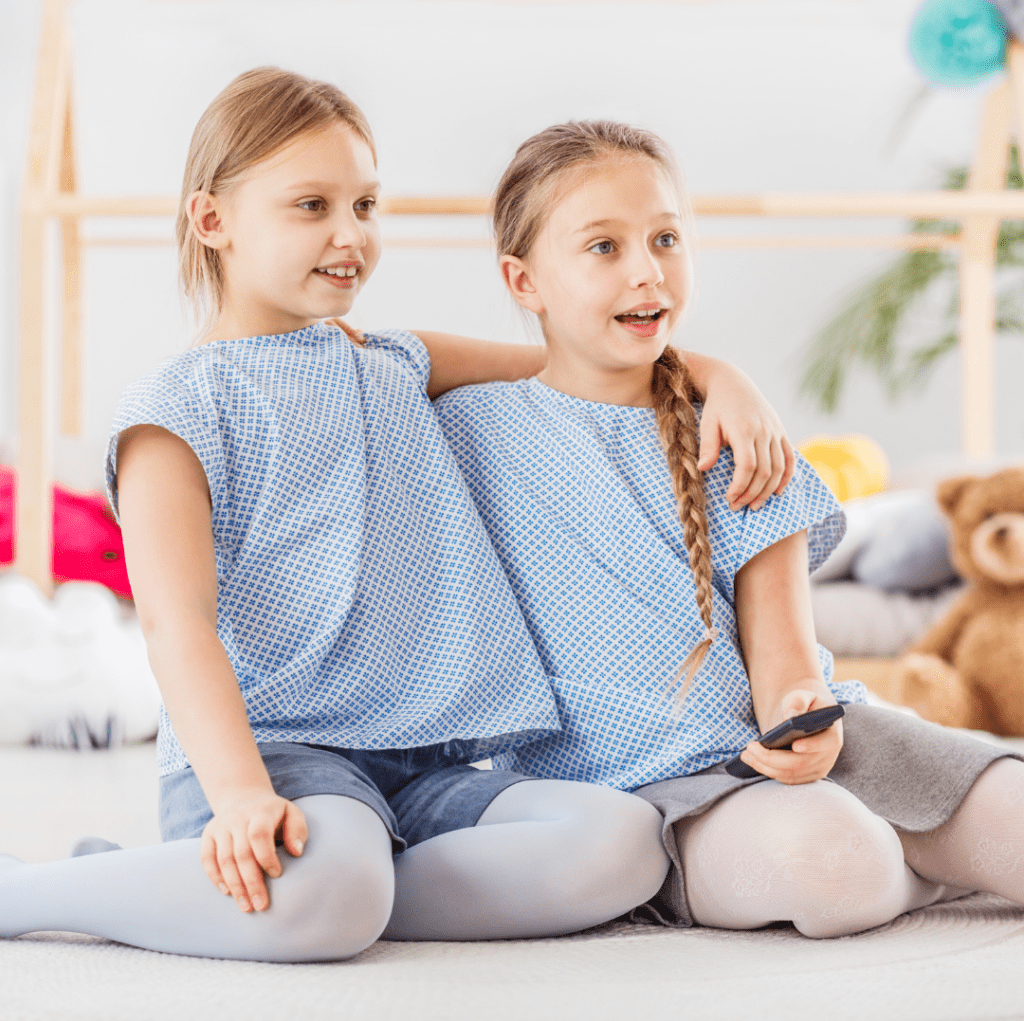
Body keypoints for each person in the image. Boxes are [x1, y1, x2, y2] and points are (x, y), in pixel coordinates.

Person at [0, 72, 794, 962]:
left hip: (424, 768)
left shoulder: (394, 360)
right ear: (212, 221)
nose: (351, 236)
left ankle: (314, 889)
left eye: (366, 204)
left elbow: (583, 359)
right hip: (275, 756)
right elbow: (174, 626)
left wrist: (721, 376)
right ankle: (31, 890)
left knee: (621, 845)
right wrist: (240, 797)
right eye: (311, 206)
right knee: (333, 890)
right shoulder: (177, 412)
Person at [434, 119, 1024, 939]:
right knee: (840, 868)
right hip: (644, 794)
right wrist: (716, 366)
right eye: (602, 248)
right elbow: (367, 352)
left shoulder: (733, 438)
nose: (647, 272)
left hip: (823, 750)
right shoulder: (469, 433)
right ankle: (918, 863)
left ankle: (917, 845)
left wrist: (801, 717)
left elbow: (784, 650)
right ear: (523, 280)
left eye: (666, 237)